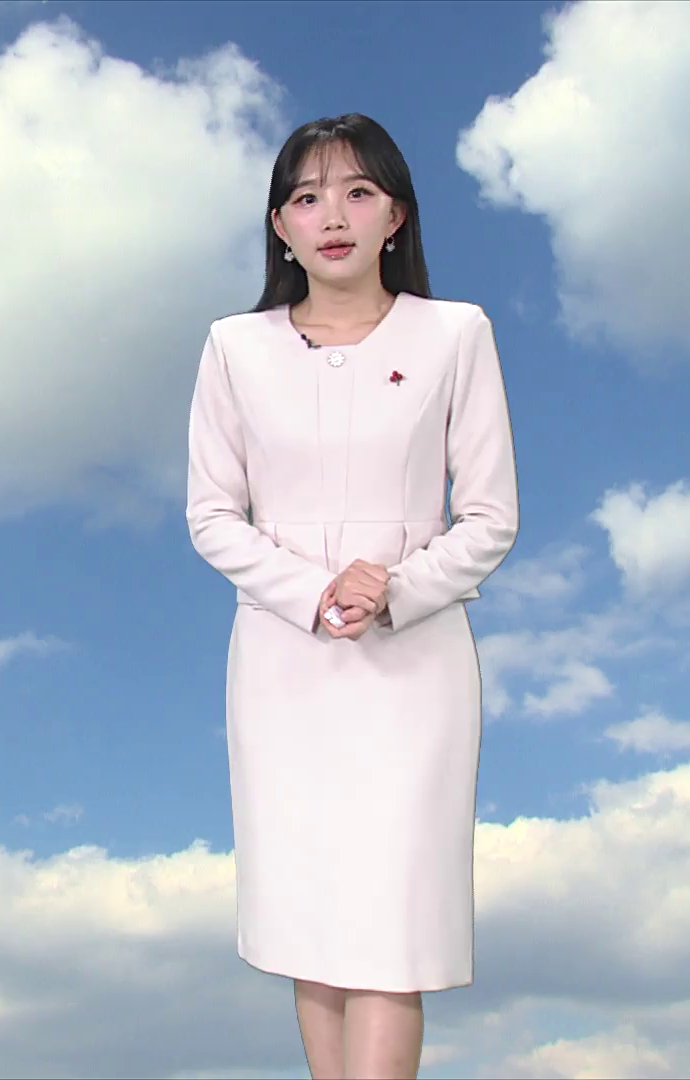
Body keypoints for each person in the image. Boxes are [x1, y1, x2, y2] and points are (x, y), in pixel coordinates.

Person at [184, 113, 520, 1080]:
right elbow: (213, 516)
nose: (332, 215)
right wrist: (312, 591)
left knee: (389, 930)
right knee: (314, 927)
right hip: (284, 666)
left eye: (357, 192)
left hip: (413, 666)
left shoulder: (455, 334)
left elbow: (490, 517)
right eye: (306, 197)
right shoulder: (234, 347)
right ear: (280, 227)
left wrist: (396, 586)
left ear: (396, 217)